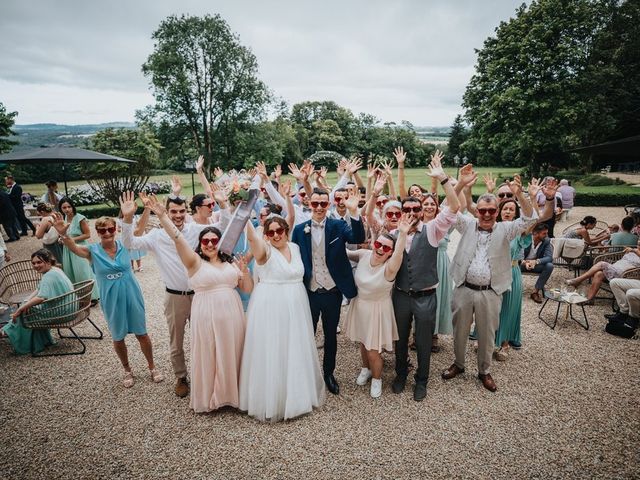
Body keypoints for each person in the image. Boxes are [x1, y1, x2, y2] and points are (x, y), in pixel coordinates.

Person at [146, 196, 252, 413]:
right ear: (200, 245)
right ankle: (214, 395)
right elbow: (177, 238)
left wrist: (245, 272)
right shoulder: (194, 262)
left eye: (215, 240)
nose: (211, 244)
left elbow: (247, 289)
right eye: (206, 241)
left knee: (233, 349)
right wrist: (163, 216)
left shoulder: (230, 261)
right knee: (211, 351)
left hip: (232, 313)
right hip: (206, 312)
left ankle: (234, 394)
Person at [120, 191, 230, 398]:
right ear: (166, 212)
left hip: (200, 294)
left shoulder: (196, 230)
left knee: (206, 336)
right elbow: (129, 244)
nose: (178, 215)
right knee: (176, 341)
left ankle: (207, 375)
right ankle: (181, 377)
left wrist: (223, 205)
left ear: (186, 211)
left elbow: (223, 229)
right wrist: (127, 218)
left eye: (181, 211)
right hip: (174, 296)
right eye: (173, 211)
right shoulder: (156, 236)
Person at [442, 169, 537, 392]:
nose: (486, 214)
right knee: (460, 330)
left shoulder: (506, 229)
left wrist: (520, 195)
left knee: (487, 333)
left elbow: (531, 218)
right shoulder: (466, 223)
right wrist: (456, 184)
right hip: (464, 288)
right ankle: (458, 364)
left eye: (491, 211)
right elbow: (447, 210)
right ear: (477, 211)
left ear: (497, 211)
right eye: (482, 210)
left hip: (490, 291)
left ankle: (484, 371)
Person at [52, 215, 164, 387]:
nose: (107, 233)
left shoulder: (125, 245)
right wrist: (64, 235)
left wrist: (147, 209)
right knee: (118, 337)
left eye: (110, 229)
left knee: (142, 333)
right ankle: (127, 369)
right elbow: (74, 248)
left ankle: (152, 366)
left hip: (132, 295)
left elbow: (139, 230)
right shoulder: (92, 251)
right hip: (111, 299)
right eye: (102, 230)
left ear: (116, 229)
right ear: (97, 232)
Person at [391, 151, 461, 401]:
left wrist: (443, 179)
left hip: (425, 296)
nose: (411, 211)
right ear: (402, 211)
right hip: (400, 296)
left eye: (415, 208)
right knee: (399, 340)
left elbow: (454, 206)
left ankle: (422, 380)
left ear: (421, 210)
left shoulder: (432, 230)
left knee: (423, 342)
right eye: (406, 208)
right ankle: (400, 374)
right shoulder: (394, 233)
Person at [240, 216, 325, 421]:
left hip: (296, 304)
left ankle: (297, 397)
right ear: (266, 235)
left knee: (294, 346)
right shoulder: (264, 251)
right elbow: (252, 238)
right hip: (271, 305)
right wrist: (242, 214)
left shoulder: (295, 248)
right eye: (271, 232)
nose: (276, 235)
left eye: (280, 231)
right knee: (273, 347)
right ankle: (272, 399)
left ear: (287, 231)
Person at [291, 187, 365, 395]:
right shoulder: (299, 230)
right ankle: (305, 373)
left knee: (331, 335)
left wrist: (354, 212)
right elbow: (294, 259)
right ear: (309, 204)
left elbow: (357, 236)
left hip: (332, 291)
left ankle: (328, 374)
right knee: (307, 334)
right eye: (316, 203)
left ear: (329, 204)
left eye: (324, 203)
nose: (320, 207)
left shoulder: (338, 225)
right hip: (310, 291)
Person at [344, 216, 410, 398]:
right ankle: (365, 369)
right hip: (360, 305)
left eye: (386, 248)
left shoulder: (390, 268)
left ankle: (377, 379)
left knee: (373, 350)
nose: (380, 249)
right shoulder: (364, 255)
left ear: (390, 252)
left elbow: (399, 255)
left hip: (377, 310)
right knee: (363, 343)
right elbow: (344, 253)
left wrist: (402, 234)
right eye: (378, 245)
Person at [0, 249, 71, 354]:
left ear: (48, 261)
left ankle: (9, 333)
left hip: (61, 311)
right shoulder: (55, 270)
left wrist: (20, 309)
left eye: (39, 262)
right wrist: (27, 300)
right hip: (68, 306)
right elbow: (38, 289)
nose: (36, 265)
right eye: (33, 263)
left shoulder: (49, 276)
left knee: (25, 313)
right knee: (27, 306)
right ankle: (41, 341)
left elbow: (41, 297)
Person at [58, 197, 99, 304]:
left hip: (80, 247)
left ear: (72, 207)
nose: (67, 209)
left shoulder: (80, 218)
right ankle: (79, 297)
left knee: (83, 272)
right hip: (68, 250)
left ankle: (92, 297)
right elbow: (64, 234)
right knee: (70, 272)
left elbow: (87, 234)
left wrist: (71, 240)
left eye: (69, 207)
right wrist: (62, 239)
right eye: (64, 207)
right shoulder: (64, 219)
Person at [566, 241, 640, 301]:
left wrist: (634, 251)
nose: (638, 245)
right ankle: (589, 299)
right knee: (599, 274)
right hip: (615, 269)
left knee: (602, 264)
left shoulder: (635, 251)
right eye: (638, 243)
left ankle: (578, 280)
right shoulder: (633, 251)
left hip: (626, 274)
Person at [521, 223, 554, 303]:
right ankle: (512, 290)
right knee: (511, 265)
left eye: (547, 233)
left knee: (549, 266)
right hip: (521, 264)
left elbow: (549, 257)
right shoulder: (524, 239)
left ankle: (535, 292)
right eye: (544, 233)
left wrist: (536, 261)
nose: (546, 235)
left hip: (535, 265)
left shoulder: (546, 241)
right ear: (535, 233)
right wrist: (524, 262)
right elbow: (515, 255)